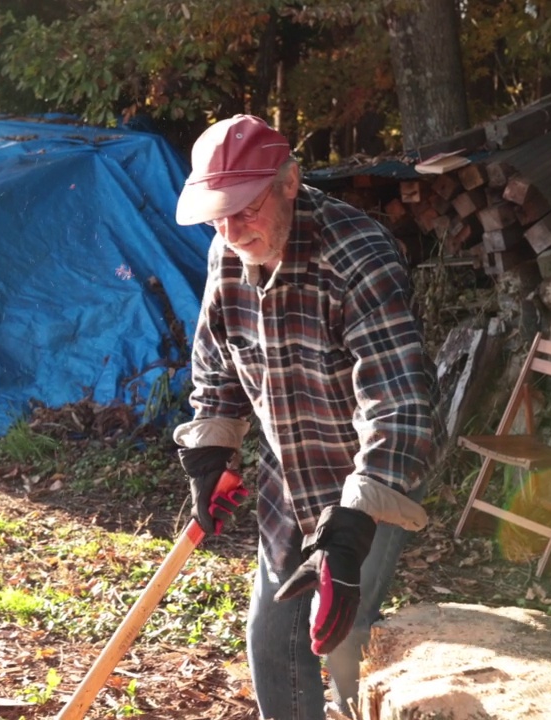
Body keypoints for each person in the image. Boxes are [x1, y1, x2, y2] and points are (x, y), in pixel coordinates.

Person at [171, 114, 442, 719]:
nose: (232, 229)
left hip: (363, 483)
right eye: (218, 213)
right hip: (285, 471)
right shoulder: (229, 247)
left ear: (290, 181)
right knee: (272, 638)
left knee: (344, 644)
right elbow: (217, 361)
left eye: (245, 208)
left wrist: (348, 531)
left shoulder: (358, 258)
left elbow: (399, 404)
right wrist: (213, 452)